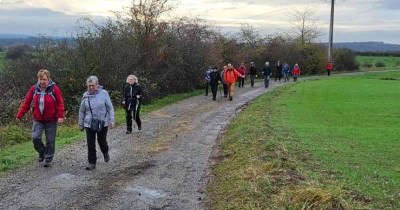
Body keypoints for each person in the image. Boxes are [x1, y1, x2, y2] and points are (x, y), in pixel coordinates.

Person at [16, 69, 65, 167]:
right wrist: (19, 114)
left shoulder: (54, 89)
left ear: (48, 79)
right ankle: (42, 152)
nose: (42, 81)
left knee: (50, 140)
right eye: (40, 79)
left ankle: (48, 158)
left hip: (51, 119)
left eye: (44, 79)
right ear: (38, 79)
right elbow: (26, 102)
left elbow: (60, 103)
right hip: (38, 119)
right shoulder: (34, 89)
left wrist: (60, 116)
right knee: (35, 137)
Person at [79, 76, 115, 170]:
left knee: (101, 141)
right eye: (89, 85)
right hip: (89, 122)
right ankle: (92, 162)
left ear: (97, 85)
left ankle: (105, 151)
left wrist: (112, 120)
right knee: (90, 143)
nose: (91, 87)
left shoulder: (104, 93)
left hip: (102, 122)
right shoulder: (85, 95)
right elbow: (82, 111)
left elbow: (110, 107)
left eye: (93, 85)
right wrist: (81, 123)